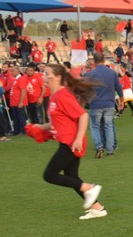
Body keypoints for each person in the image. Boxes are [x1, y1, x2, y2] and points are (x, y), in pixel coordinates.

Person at [33, 63, 107, 220]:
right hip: (67, 141)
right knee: (71, 176)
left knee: (49, 175)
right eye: (43, 73)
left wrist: (79, 138)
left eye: (47, 73)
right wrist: (40, 127)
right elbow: (57, 121)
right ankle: (98, 208)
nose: (44, 76)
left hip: (71, 142)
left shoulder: (62, 95)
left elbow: (83, 115)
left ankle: (89, 187)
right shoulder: (54, 97)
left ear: (58, 77)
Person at [85, 52, 123, 158]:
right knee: (108, 126)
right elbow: (118, 87)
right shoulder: (112, 73)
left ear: (94, 61)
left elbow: (84, 89)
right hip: (109, 103)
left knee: (95, 126)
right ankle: (110, 149)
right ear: (104, 59)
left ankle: (99, 146)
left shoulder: (89, 74)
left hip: (95, 104)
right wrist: (121, 100)